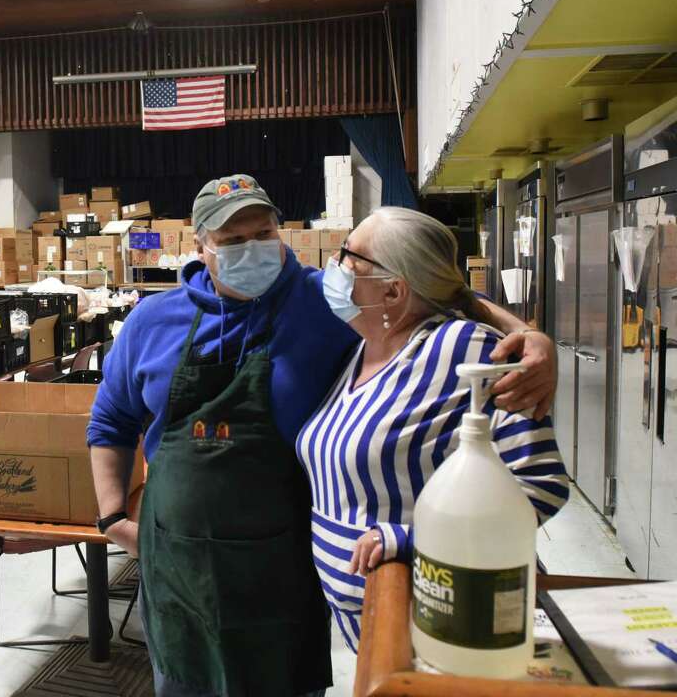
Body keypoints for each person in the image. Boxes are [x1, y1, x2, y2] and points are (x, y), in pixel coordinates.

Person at [86, 175, 557, 697]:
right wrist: (110, 516)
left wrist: (532, 339)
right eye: (233, 241)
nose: (253, 249)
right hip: (178, 571)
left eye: (263, 233)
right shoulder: (152, 321)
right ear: (200, 246)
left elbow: (439, 295)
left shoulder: (329, 303)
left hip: (281, 573)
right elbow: (111, 420)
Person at [300, 207, 569, 652]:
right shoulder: (363, 349)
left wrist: (410, 539)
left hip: (451, 617)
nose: (336, 267)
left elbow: (540, 484)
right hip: (378, 625)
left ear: (393, 290)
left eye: (350, 257)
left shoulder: (467, 348)